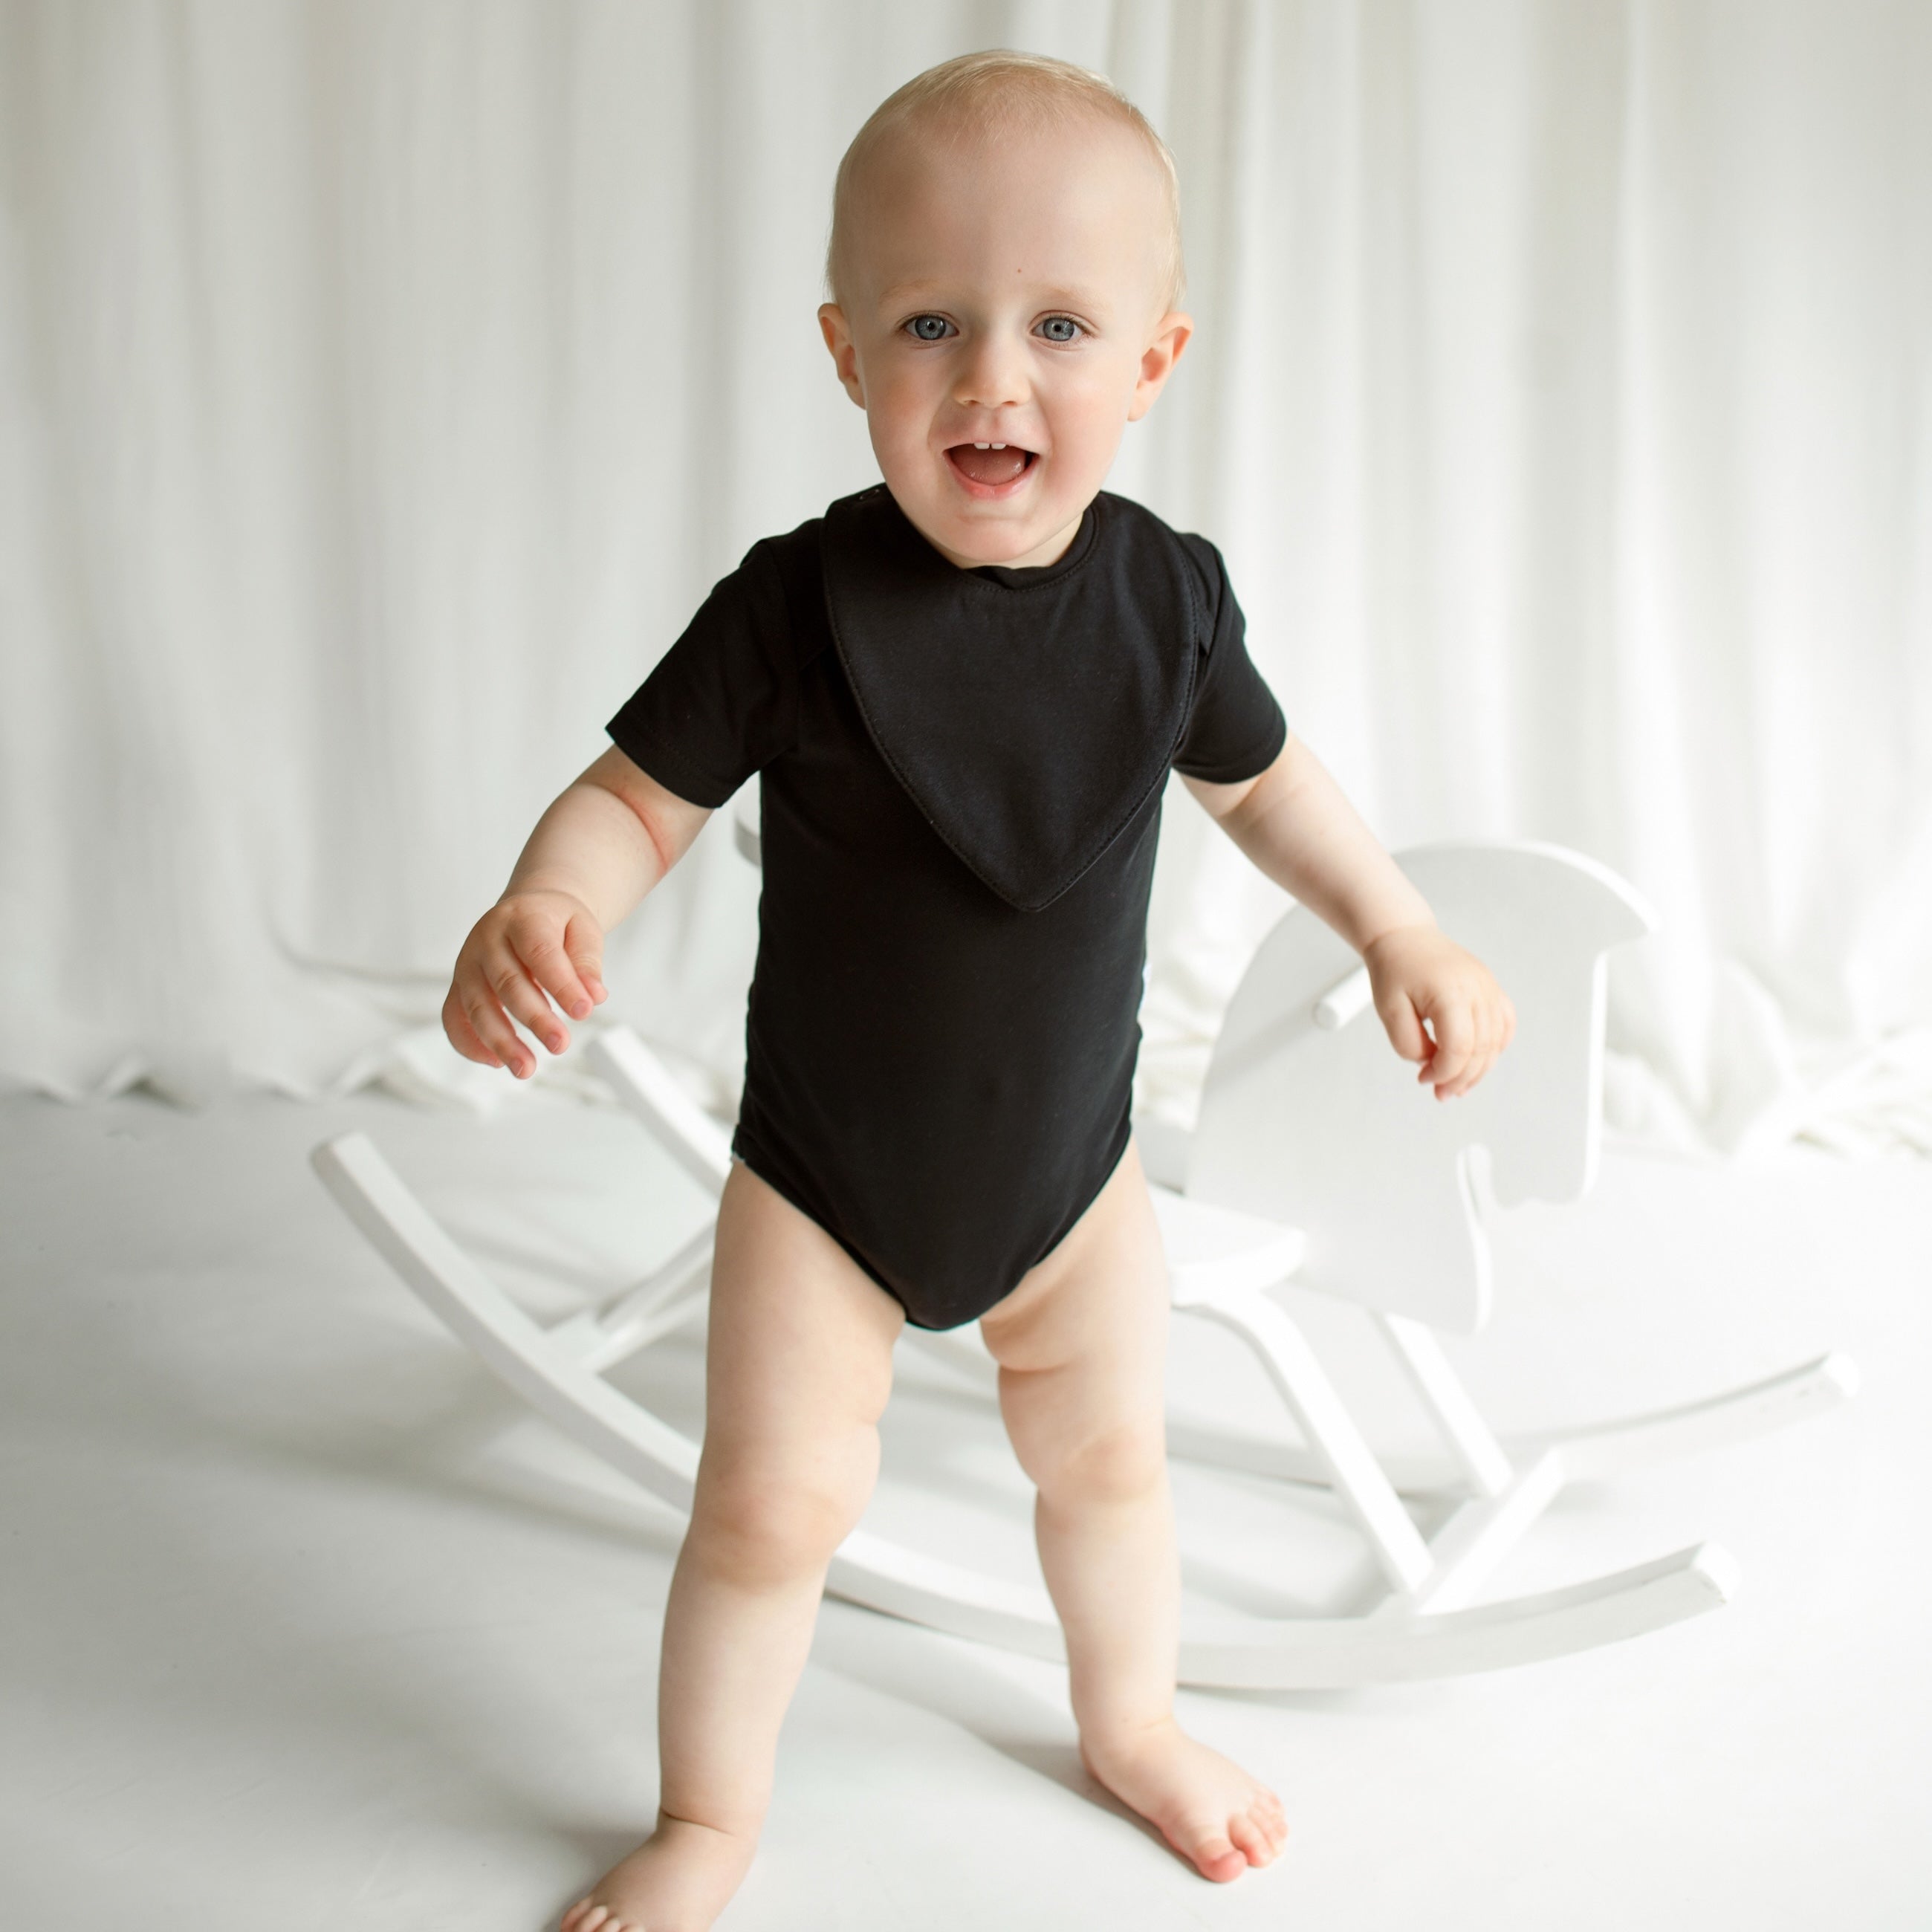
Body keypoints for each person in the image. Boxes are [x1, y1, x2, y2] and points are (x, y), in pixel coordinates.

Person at [442, 49, 1515, 1932]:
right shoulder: (792, 602)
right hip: (825, 1185)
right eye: (931, 320)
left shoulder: (1168, 601)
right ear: (847, 351)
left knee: (1111, 1472)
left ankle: (1134, 1721)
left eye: (1060, 323)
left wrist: (1396, 924)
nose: (991, 374)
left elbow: (1264, 786)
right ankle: (707, 1819)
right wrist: (549, 890)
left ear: (1154, 363)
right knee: (767, 1509)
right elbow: (638, 796)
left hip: (1070, 1182)